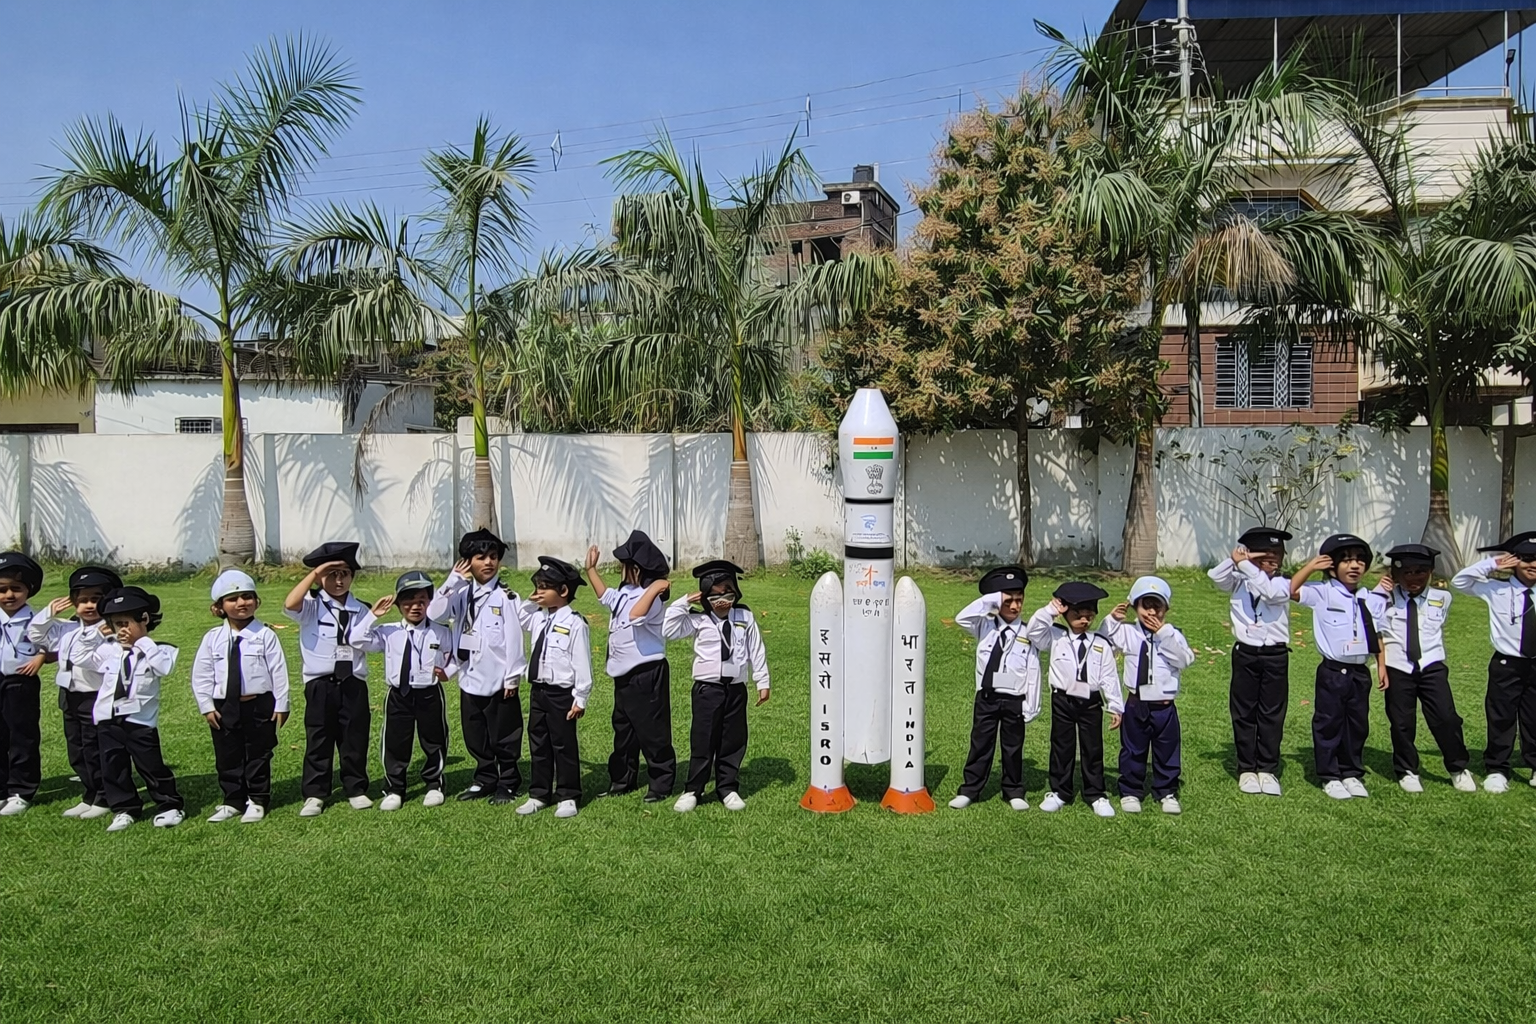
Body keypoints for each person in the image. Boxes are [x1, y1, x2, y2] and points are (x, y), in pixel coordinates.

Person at [428, 528, 527, 805]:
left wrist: (512, 678)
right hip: (469, 675)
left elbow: (514, 640)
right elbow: (434, 613)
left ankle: (508, 781)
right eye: (481, 557)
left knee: (504, 734)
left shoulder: (506, 597)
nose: (488, 562)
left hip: (498, 679)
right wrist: (452, 580)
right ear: (467, 562)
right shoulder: (461, 593)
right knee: (475, 732)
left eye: (493, 557)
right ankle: (485, 777)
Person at [663, 560, 771, 813]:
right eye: (715, 595)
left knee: (733, 739)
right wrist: (684, 602)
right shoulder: (697, 619)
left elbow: (756, 649)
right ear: (705, 596)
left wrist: (762, 681)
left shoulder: (744, 616)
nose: (723, 600)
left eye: (728, 593)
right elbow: (668, 630)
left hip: (736, 689)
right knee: (703, 739)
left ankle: (728, 787)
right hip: (707, 690)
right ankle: (693, 789)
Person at [283, 542, 379, 817]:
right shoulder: (311, 605)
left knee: (354, 737)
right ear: (320, 577)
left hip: (353, 682)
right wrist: (315, 574)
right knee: (319, 738)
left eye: (345, 574)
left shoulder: (362, 609)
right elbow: (290, 604)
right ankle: (315, 793)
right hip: (320, 683)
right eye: (331, 574)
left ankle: (356, 788)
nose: (339, 580)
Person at [1290, 533, 1388, 800]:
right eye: (1345, 560)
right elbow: (1292, 590)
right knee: (1328, 722)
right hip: (1333, 671)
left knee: (1357, 724)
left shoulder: (1370, 597)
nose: (1354, 565)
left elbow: (1377, 633)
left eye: (1359, 560)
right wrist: (1311, 567)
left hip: (1360, 672)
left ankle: (1351, 772)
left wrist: (1381, 665)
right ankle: (1330, 775)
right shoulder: (1323, 592)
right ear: (1332, 566)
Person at [191, 570, 291, 823]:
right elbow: (202, 674)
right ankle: (233, 800)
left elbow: (278, 671)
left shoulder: (265, 635)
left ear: (256, 601)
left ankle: (257, 799)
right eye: (232, 599)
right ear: (219, 607)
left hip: (258, 705)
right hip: (224, 706)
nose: (241, 603)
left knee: (258, 753)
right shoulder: (212, 639)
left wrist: (281, 704)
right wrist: (206, 706)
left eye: (247, 597)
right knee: (227, 754)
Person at [1375, 545, 1476, 793]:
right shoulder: (1383, 598)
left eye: (1420, 571)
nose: (1413, 577)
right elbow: (1373, 626)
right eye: (1406, 572)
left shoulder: (1442, 598)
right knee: (1401, 721)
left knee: (1446, 718)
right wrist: (1379, 590)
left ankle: (1458, 768)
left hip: (1431, 665)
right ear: (1395, 574)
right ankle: (1407, 770)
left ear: (1430, 571)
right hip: (1398, 667)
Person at [586, 530, 675, 802]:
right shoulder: (626, 592)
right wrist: (590, 570)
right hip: (623, 675)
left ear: (637, 568)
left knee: (652, 730)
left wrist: (656, 587)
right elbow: (606, 597)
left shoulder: (652, 598)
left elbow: (636, 616)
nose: (620, 569)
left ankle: (661, 782)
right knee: (624, 730)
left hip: (646, 673)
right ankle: (622, 778)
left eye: (624, 565)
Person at [27, 564, 120, 819]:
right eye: (82, 600)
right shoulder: (67, 628)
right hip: (69, 694)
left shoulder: (110, 631)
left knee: (94, 747)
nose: (89, 605)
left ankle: (104, 796)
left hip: (95, 695)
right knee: (76, 749)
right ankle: (89, 793)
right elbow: (35, 634)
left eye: (96, 599)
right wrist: (49, 612)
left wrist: (99, 633)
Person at [1023, 581, 1123, 817]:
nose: (1084, 620)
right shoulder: (1055, 637)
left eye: (1089, 616)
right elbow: (1033, 631)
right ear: (1066, 613)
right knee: (1061, 745)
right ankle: (1060, 791)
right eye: (1078, 615)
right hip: (1063, 700)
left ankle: (1096, 794)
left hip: (1090, 701)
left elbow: (1109, 676)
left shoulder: (1100, 643)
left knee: (1092, 747)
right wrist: (1050, 610)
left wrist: (1116, 705)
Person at [1099, 576, 1195, 815]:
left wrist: (1163, 634)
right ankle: (1131, 790)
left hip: (1164, 706)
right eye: (1146, 606)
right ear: (1134, 606)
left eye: (1157, 607)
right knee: (1133, 748)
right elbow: (1102, 644)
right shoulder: (1127, 632)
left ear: (1166, 609)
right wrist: (1112, 620)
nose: (1152, 612)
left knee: (1167, 749)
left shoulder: (1173, 634)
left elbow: (1184, 660)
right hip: (1136, 703)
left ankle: (1166, 791)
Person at [1208, 527, 1293, 796]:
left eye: (1277, 553)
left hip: (1275, 655)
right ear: (1251, 554)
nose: (1273, 558)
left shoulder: (1284, 583)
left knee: (1271, 713)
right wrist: (1237, 561)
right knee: (1244, 712)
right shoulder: (1239, 581)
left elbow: (1268, 593)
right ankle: (1247, 767)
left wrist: (1246, 564)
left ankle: (1267, 768)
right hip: (1245, 653)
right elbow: (1215, 576)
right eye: (1265, 553)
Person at [91, 586, 184, 832]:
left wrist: (143, 641)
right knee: (113, 766)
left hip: (140, 720)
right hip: (108, 718)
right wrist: (95, 634)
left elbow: (163, 668)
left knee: (150, 765)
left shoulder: (161, 649)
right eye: (116, 624)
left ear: (144, 619)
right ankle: (124, 808)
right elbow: (81, 658)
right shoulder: (108, 649)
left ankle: (169, 805)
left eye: (126, 623)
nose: (121, 630)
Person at [949, 565, 1041, 812]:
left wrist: (1032, 704)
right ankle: (970, 790)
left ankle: (1013, 790)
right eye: (1008, 601)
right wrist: (990, 601)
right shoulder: (984, 625)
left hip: (1015, 699)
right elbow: (961, 618)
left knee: (1013, 747)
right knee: (980, 743)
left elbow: (1033, 669)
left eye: (1019, 600)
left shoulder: (1029, 632)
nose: (1015, 606)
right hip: (987, 697)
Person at [363, 571, 455, 812]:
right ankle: (395, 789)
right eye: (408, 601)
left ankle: (434, 784)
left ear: (429, 602)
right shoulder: (388, 631)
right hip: (398, 694)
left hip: (429, 693)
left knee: (434, 738)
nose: (415, 607)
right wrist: (372, 616)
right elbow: (356, 639)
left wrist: (448, 671)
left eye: (422, 600)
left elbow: (455, 655)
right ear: (398, 604)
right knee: (395, 741)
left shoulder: (441, 631)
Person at [1451, 530, 1536, 793]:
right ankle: (1497, 768)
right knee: (1501, 716)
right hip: (1507, 664)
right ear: (1514, 560)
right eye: (1526, 558)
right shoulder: (1496, 588)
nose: (1533, 564)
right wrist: (1491, 564)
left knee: (1534, 717)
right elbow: (1459, 581)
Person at [516, 556, 593, 819]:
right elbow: (520, 617)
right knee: (538, 742)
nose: (538, 592)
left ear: (563, 590)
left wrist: (580, 697)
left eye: (544, 588)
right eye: (537, 586)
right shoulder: (538, 618)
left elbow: (582, 662)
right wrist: (531, 600)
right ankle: (539, 793)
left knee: (563, 744)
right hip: (538, 691)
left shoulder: (574, 623)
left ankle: (568, 795)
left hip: (562, 694)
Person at [0, 552, 46, 817]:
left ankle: (21, 790)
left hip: (21, 682)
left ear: (28, 589)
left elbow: (54, 646)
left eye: (16, 589)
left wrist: (41, 658)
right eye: (2, 590)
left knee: (22, 735)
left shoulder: (37, 620)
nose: (9, 595)